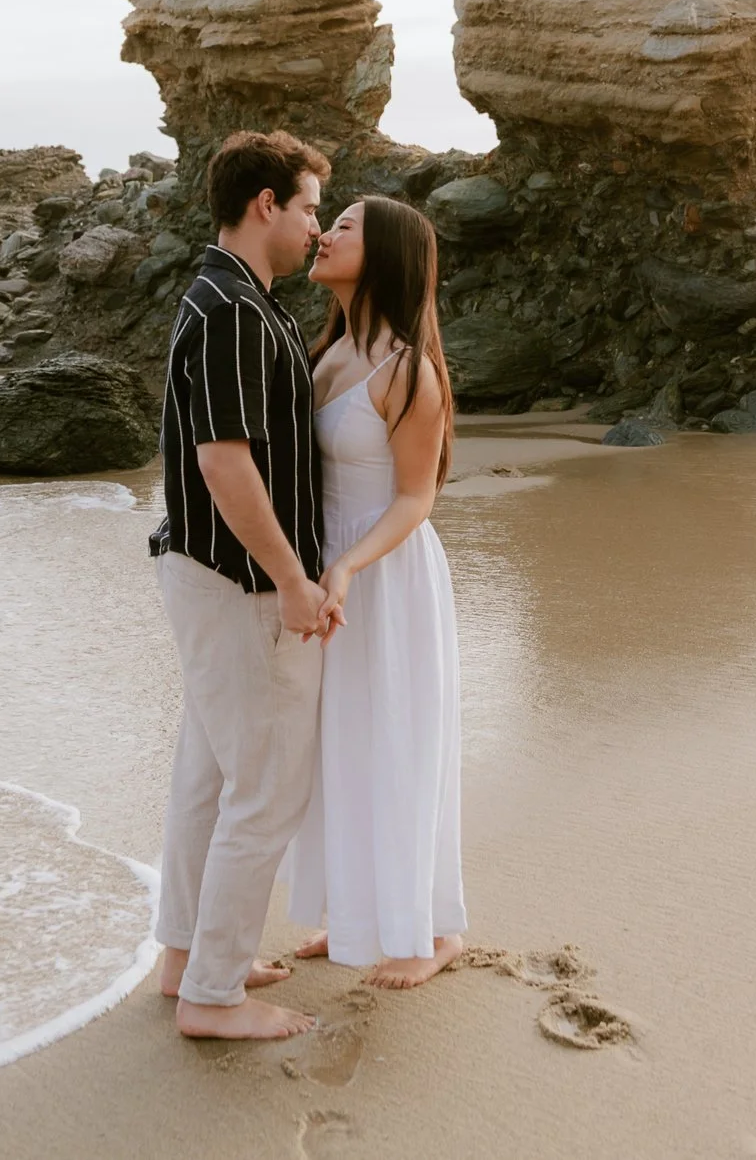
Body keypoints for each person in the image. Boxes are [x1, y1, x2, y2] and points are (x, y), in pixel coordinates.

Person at [147, 129, 341, 1041]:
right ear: (266, 203)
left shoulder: (235, 300)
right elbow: (225, 464)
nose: (312, 227)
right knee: (264, 787)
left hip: (205, 573)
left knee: (210, 775)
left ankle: (186, 958)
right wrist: (294, 581)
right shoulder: (230, 309)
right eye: (307, 208)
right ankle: (214, 995)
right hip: (234, 581)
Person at [285, 194, 467, 989]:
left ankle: (430, 928)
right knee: (336, 743)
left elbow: (415, 498)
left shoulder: (408, 369)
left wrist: (349, 565)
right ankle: (358, 913)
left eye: (346, 226)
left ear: (385, 253)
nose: (324, 233)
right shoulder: (325, 352)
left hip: (384, 572)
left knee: (397, 739)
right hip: (327, 568)